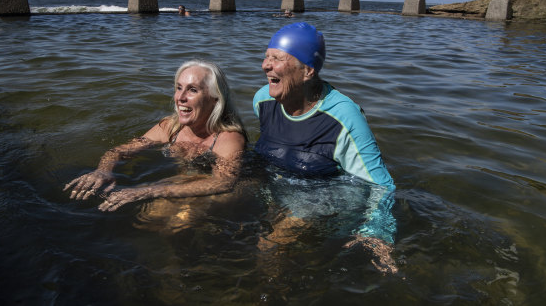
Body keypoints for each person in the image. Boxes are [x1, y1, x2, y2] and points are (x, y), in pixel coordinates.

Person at [253, 22, 397, 274]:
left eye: (276, 59)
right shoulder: (263, 100)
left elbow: (381, 184)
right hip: (281, 190)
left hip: (327, 196)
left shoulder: (344, 117)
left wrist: (377, 233)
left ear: (307, 71)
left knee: (270, 243)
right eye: (266, 57)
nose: (266, 65)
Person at [64, 60, 246, 212]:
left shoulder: (228, 137)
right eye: (179, 88)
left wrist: (151, 191)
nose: (180, 97)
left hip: (215, 190)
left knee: (167, 219)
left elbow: (223, 183)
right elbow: (120, 151)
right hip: (177, 182)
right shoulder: (170, 127)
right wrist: (103, 170)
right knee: (149, 216)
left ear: (215, 99)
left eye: (192, 90)